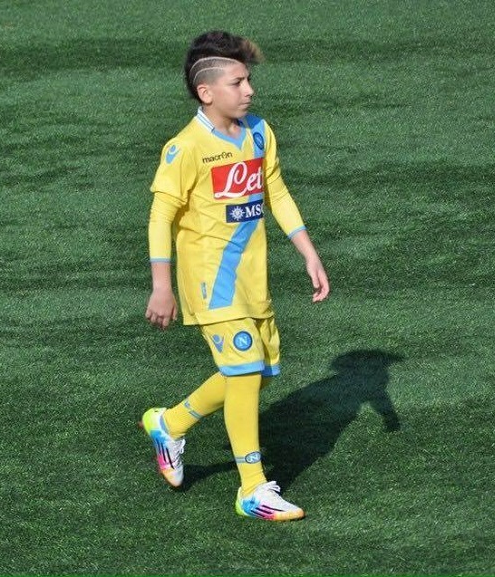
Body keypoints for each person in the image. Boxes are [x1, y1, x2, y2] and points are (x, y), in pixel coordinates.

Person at [140, 30, 330, 522]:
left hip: (253, 280)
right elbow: (160, 217)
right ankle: (253, 489)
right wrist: (162, 285)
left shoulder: (259, 132)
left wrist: (308, 253)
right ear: (206, 92)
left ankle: (169, 424)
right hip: (210, 282)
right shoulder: (185, 148)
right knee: (244, 370)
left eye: (249, 80)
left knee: (256, 375)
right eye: (238, 82)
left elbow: (276, 192)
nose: (249, 90)